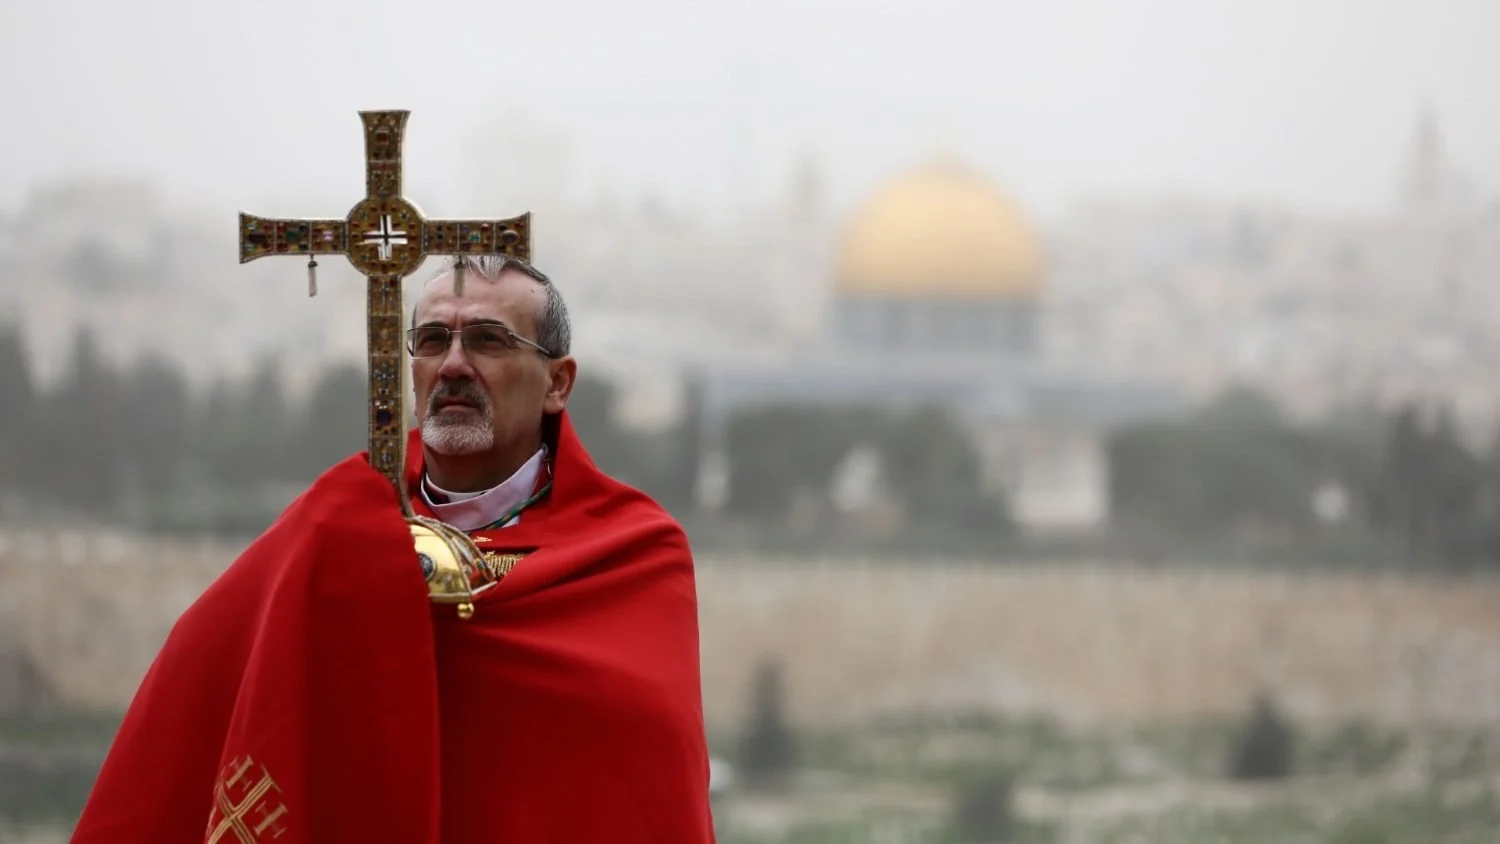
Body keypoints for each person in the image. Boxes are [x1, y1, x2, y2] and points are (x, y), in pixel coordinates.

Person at [70, 256, 717, 843]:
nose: (453, 365)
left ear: (558, 382)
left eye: (488, 340)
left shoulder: (634, 553)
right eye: (433, 341)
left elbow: (644, 782)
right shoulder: (331, 523)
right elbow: (199, 685)